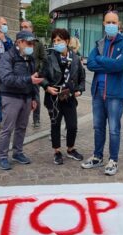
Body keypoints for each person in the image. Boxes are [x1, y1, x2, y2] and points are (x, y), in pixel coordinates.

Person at [82, 11, 123, 176]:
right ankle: (97, 157)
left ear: (119, 24)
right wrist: (110, 63)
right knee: (98, 127)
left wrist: (101, 60)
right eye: (108, 22)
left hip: (115, 94)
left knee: (113, 129)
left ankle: (113, 160)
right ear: (104, 23)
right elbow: (90, 64)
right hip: (98, 92)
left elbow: (120, 66)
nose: (111, 25)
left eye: (114, 22)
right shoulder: (99, 43)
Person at [0, 31, 44, 170]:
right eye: (29, 43)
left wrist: (34, 97)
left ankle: (18, 153)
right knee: (7, 129)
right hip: (11, 97)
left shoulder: (30, 58)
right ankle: (2, 157)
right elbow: (7, 79)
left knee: (22, 128)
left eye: (33, 44)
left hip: (26, 97)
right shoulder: (7, 57)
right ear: (19, 42)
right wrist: (29, 79)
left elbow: (33, 79)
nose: (31, 46)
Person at [38, 28, 85, 165]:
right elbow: (41, 76)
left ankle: (70, 149)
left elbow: (82, 78)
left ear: (67, 41)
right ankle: (57, 151)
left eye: (59, 40)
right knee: (55, 125)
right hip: (54, 97)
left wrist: (80, 90)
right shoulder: (49, 57)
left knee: (72, 126)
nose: (57, 43)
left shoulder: (76, 58)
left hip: (69, 97)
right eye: (54, 40)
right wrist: (47, 87)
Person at [20, 19, 47, 128]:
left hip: (34, 75)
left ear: (32, 29)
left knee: (35, 97)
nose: (24, 29)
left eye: (26, 27)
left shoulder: (38, 44)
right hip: (22, 75)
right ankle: (21, 118)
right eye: (22, 27)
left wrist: (38, 71)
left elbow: (44, 58)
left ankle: (36, 119)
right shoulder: (18, 41)